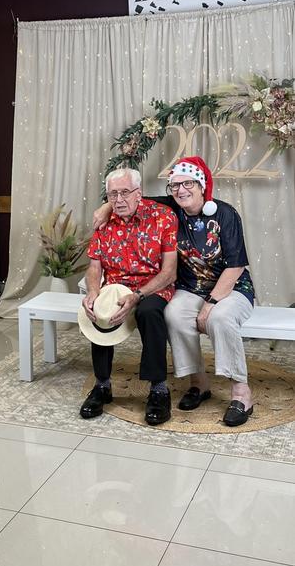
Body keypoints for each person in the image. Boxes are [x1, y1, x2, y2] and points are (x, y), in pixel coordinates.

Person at [94, 156, 255, 427]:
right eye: (175, 185)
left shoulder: (225, 214)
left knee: (219, 318)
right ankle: (199, 384)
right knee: (174, 315)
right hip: (191, 288)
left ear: (202, 184)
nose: (181, 190)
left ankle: (241, 393)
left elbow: (236, 266)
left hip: (231, 288)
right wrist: (106, 207)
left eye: (188, 183)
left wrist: (211, 303)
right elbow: (132, 196)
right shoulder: (172, 207)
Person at [79, 167, 178, 426]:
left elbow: (169, 272)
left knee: (149, 312)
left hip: (153, 286)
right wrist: (92, 291)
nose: (119, 200)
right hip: (116, 285)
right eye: (113, 194)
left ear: (139, 193)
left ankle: (158, 389)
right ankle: (102, 385)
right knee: (99, 309)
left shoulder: (163, 217)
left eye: (125, 192)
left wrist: (137, 295)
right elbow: (94, 267)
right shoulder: (104, 223)